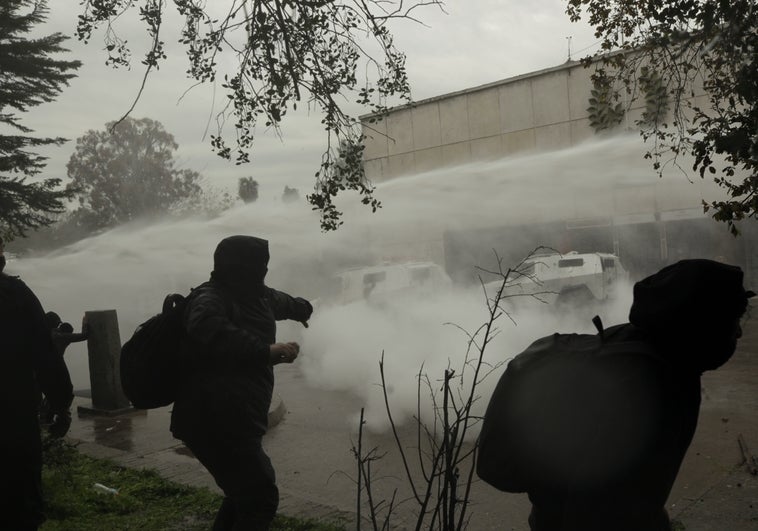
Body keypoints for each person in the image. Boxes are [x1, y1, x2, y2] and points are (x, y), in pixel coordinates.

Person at [477, 258, 754, 531]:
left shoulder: (639, 342)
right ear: (702, 324)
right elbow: (601, 511)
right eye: (732, 320)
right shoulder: (653, 390)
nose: (739, 332)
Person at [170, 235, 313, 531]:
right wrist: (265, 351)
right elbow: (206, 327)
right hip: (212, 418)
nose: (263, 272)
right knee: (260, 496)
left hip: (239, 415)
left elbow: (279, 301)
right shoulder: (211, 297)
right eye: (259, 265)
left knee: (242, 493)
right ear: (241, 266)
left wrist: (301, 308)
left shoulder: (255, 295)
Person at [0, 237, 74, 531]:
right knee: (19, 505)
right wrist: (61, 405)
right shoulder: (14, 295)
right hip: (12, 420)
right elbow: (45, 355)